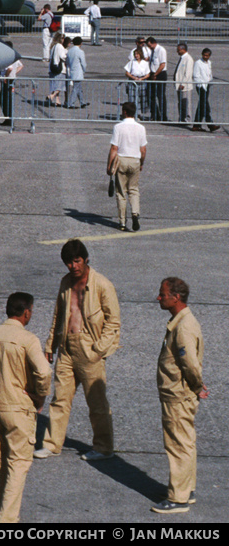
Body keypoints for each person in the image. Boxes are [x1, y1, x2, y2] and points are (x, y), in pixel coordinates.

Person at [35, 239, 120, 462]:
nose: (73, 266)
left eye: (77, 261)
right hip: (66, 347)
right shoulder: (65, 283)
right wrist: (50, 345)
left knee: (96, 402)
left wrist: (99, 349)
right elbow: (58, 315)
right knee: (59, 399)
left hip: (89, 347)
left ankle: (103, 447)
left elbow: (114, 321)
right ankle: (52, 444)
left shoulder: (102, 284)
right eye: (69, 262)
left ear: (85, 259)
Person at [0, 292, 51, 524]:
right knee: (18, 465)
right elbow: (44, 372)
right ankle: (7, 521)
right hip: (18, 409)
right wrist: (38, 397)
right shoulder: (27, 338)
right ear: (27, 312)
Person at [152, 277, 205, 514]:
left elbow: (190, 365)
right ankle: (187, 488)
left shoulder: (183, 327)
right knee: (186, 442)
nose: (159, 297)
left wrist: (197, 386)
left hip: (178, 396)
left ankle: (179, 498)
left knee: (177, 445)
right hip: (180, 394)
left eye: (163, 294)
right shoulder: (181, 321)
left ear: (177, 297)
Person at [108, 101, 147, 231]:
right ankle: (135, 213)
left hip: (122, 160)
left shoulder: (118, 127)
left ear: (124, 112)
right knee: (134, 190)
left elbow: (114, 148)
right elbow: (143, 150)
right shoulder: (141, 128)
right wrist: (141, 163)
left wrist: (109, 166)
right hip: (135, 160)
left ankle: (122, 222)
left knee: (121, 192)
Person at [192, 48, 217, 132]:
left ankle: (196, 125)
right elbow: (196, 75)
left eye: (207, 55)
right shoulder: (198, 63)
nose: (205, 57)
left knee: (202, 105)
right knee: (205, 105)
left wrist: (210, 81)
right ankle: (210, 124)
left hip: (207, 85)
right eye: (204, 55)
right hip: (201, 86)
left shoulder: (209, 63)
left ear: (209, 56)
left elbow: (209, 73)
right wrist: (202, 84)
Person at [147, 36, 169, 121]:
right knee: (150, 95)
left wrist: (156, 74)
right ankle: (155, 114)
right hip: (152, 74)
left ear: (153, 43)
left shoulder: (161, 50)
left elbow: (162, 64)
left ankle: (163, 116)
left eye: (150, 45)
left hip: (160, 74)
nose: (149, 47)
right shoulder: (152, 51)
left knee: (160, 96)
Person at [0, 55, 23, 126]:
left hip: (8, 79)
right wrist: (14, 73)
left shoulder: (7, 57)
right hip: (12, 78)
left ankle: (8, 117)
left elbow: (10, 68)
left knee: (3, 98)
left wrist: (5, 76)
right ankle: (8, 117)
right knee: (8, 98)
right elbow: (21, 65)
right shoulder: (14, 57)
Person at [174, 43, 194, 124]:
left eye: (178, 49)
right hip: (179, 85)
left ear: (183, 49)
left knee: (186, 102)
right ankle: (182, 117)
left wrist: (183, 83)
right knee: (181, 102)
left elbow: (188, 73)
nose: (177, 51)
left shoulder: (188, 59)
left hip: (184, 86)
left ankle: (188, 118)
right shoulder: (182, 58)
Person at [65, 37, 87, 108]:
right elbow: (83, 63)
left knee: (78, 87)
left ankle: (82, 102)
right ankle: (71, 103)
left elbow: (67, 62)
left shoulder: (69, 51)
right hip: (78, 71)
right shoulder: (80, 52)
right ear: (80, 43)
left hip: (71, 71)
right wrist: (84, 70)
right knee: (76, 87)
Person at [47, 32, 67, 105]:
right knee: (60, 85)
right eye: (63, 38)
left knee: (54, 85)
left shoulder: (53, 46)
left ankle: (57, 101)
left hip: (52, 68)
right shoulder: (60, 46)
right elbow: (63, 56)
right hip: (59, 69)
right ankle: (51, 96)